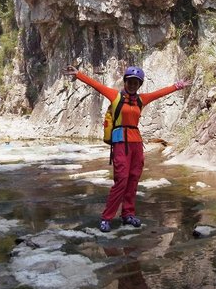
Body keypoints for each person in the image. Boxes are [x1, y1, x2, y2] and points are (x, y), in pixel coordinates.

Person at [63, 64, 190, 232]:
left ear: (139, 85)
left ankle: (128, 214)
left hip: (137, 143)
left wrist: (178, 86)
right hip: (120, 142)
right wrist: (78, 74)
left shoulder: (141, 99)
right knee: (121, 181)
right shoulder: (115, 96)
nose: (132, 85)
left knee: (133, 179)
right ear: (125, 82)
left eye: (136, 82)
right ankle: (107, 217)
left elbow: (159, 93)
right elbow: (97, 85)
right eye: (130, 81)